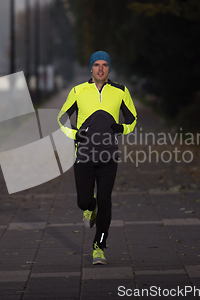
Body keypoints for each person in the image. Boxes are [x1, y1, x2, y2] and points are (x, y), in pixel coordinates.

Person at [58, 51, 137, 264]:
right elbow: (61, 118)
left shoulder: (120, 91)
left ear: (109, 69)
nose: (100, 69)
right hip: (83, 154)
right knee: (84, 201)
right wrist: (75, 134)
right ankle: (89, 208)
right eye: (96, 65)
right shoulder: (78, 91)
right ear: (91, 68)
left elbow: (133, 119)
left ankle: (99, 246)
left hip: (108, 156)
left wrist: (122, 128)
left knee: (105, 200)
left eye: (104, 65)